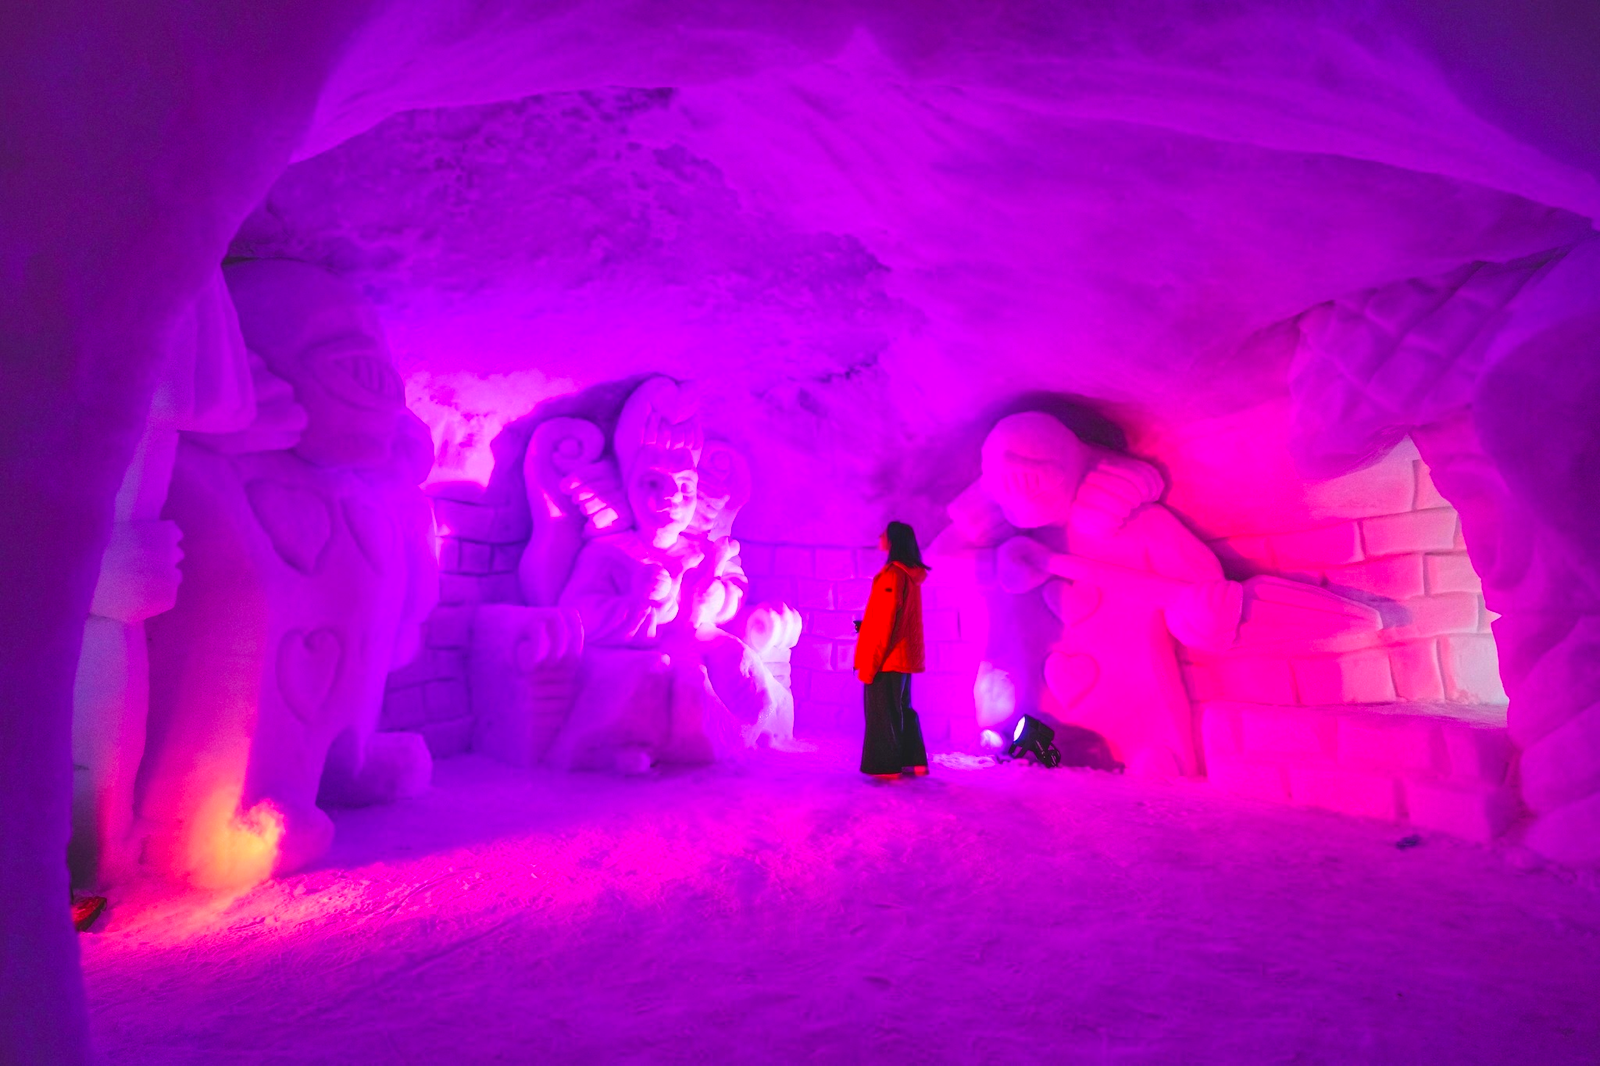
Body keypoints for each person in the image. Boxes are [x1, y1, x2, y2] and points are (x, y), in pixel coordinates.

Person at [854, 521, 930, 779]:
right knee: (902, 708)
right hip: (902, 658)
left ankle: (885, 768)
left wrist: (870, 665)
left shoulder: (893, 575)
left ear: (893, 540)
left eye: (884, 533)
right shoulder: (909, 575)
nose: (879, 536)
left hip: (887, 659)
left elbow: (885, 623)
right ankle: (913, 762)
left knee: (882, 713)